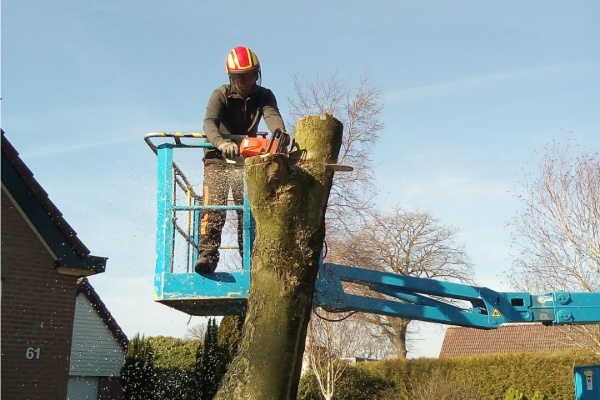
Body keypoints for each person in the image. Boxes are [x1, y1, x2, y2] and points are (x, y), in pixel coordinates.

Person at [195, 45, 286, 274]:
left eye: (250, 76)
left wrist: (281, 136)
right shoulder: (221, 95)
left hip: (247, 159)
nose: (245, 82)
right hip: (217, 158)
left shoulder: (264, 96)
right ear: (231, 77)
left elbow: (272, 116)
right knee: (215, 205)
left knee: (248, 209)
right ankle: (207, 255)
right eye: (240, 77)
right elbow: (209, 122)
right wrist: (221, 143)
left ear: (257, 74)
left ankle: (250, 258)